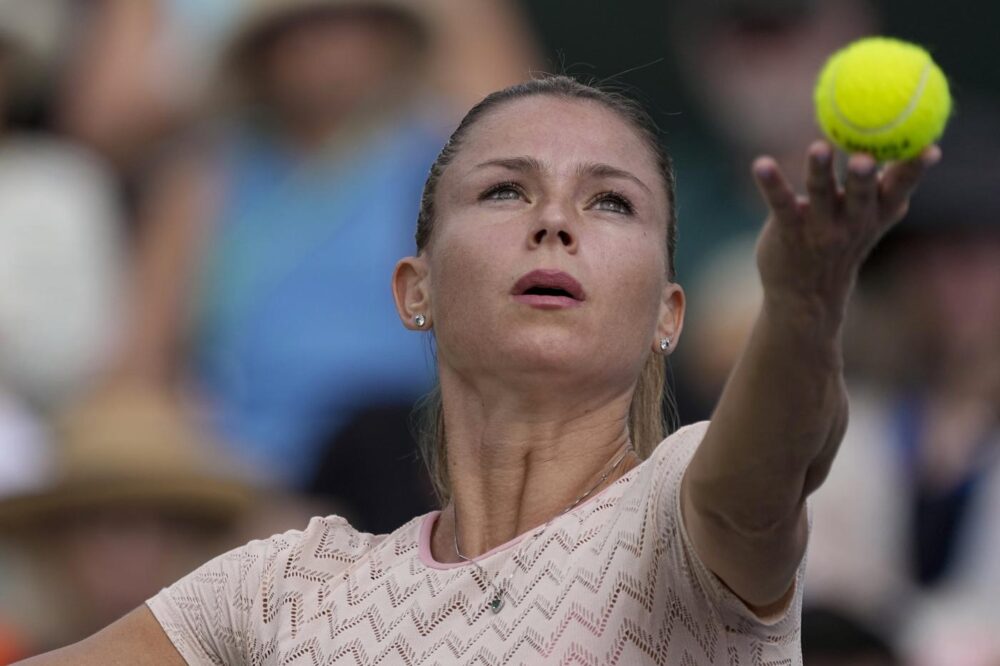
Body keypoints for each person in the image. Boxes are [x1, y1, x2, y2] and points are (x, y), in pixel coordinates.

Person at [18, 75, 938, 664]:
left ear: (669, 315)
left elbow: (775, 464)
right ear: (415, 288)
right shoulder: (281, 590)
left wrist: (806, 304)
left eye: (611, 202)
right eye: (506, 189)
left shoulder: (680, 510)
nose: (555, 222)